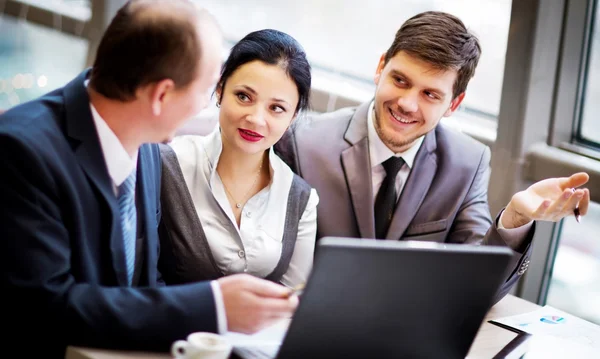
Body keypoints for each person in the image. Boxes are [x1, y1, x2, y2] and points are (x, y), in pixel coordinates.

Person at [0, 1, 297, 357]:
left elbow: (143, 279)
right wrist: (213, 305)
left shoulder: (148, 144)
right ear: (161, 94)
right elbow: (47, 305)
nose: (206, 104)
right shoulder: (21, 151)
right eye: (206, 89)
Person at [274, 11, 591, 302]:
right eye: (400, 80)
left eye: (430, 94)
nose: (407, 104)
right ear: (380, 68)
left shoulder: (468, 162)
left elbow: (476, 287)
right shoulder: (301, 141)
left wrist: (517, 218)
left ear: (453, 104)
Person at [157, 29, 318, 288]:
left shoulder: (301, 201)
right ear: (220, 90)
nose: (255, 118)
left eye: (276, 108)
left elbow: (291, 302)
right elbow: (140, 277)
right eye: (244, 96)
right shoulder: (165, 164)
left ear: (294, 116)